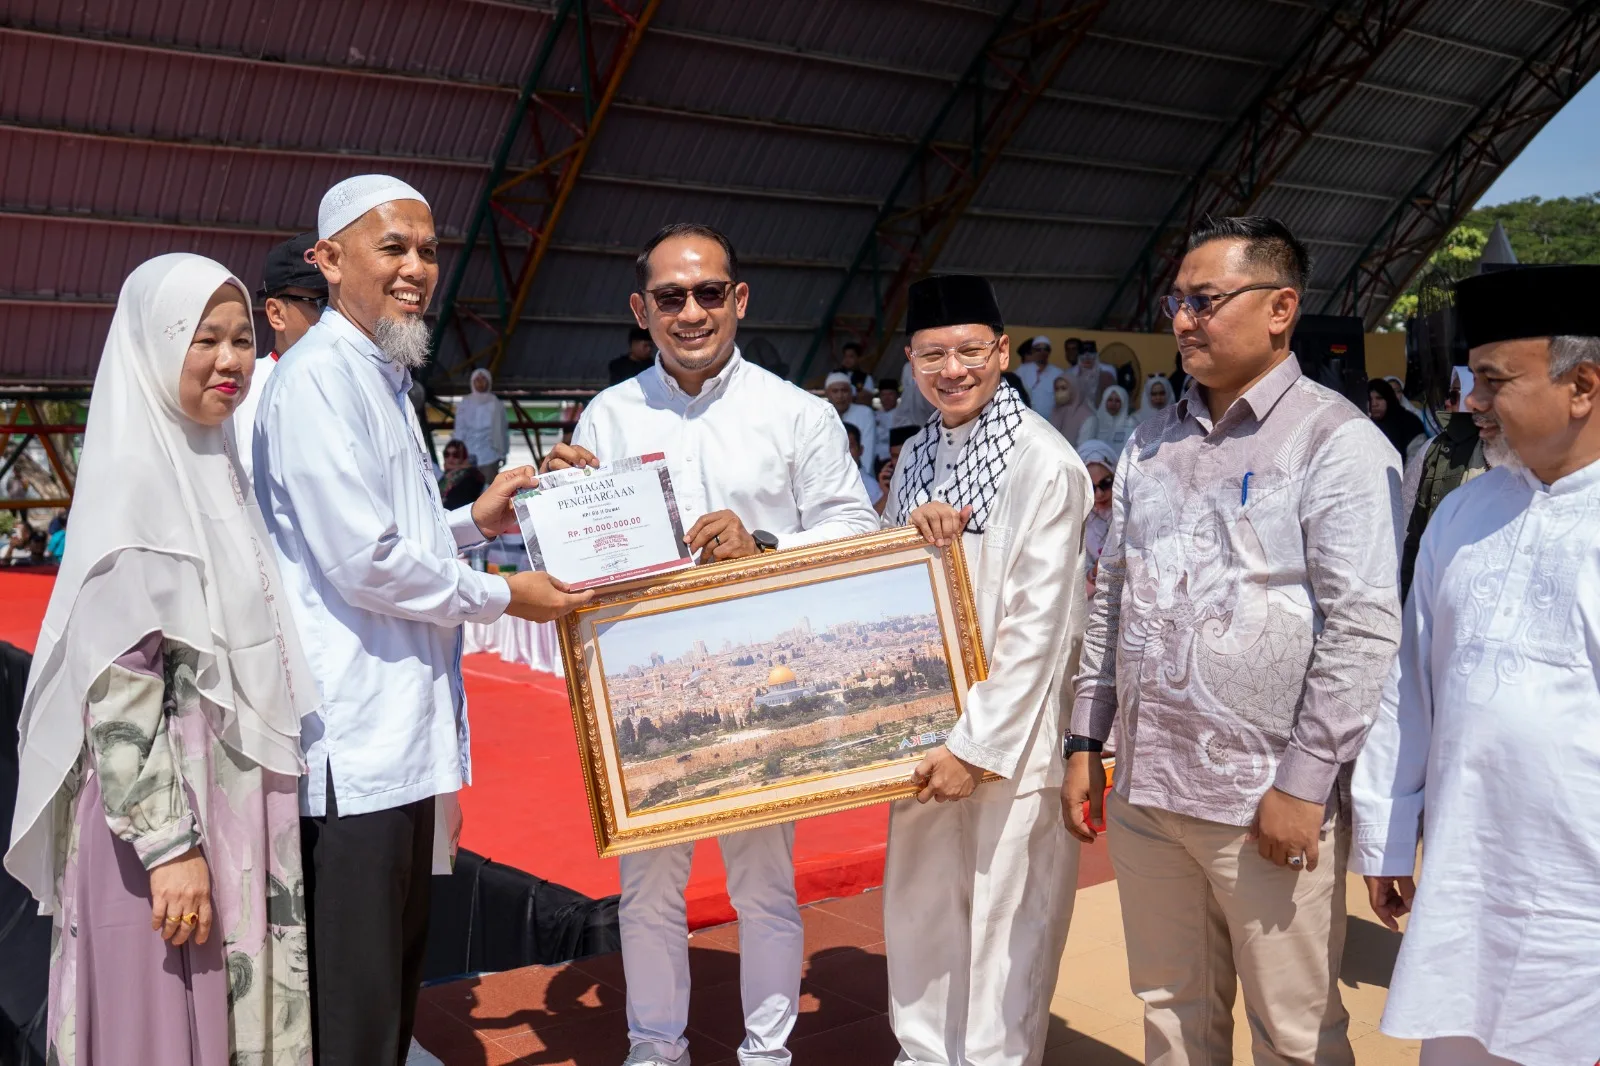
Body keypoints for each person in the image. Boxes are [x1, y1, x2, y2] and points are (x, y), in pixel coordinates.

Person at [252, 174, 591, 1066]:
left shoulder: (382, 374)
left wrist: (476, 522)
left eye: (429, 251)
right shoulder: (319, 378)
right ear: (328, 260)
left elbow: (397, 535)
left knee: (392, 984)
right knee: (355, 1006)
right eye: (393, 247)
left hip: (400, 736)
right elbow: (363, 561)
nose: (416, 268)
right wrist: (507, 595)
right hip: (354, 741)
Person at [1063, 216, 1403, 1065]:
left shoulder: (1336, 442)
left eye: (1205, 301)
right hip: (1148, 789)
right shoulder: (1151, 440)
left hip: (1263, 799)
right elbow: (1114, 595)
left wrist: (1304, 783)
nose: (1183, 321)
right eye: (1176, 302)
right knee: (1172, 1012)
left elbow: (1363, 627)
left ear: (1280, 308)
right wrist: (1086, 740)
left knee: (1295, 1032)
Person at [541, 221, 877, 1066]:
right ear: (641, 310)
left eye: (708, 293)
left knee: (764, 886)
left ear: (739, 299)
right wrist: (561, 506)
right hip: (645, 682)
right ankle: (656, 1049)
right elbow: (577, 562)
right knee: (648, 888)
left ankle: (766, 1054)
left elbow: (856, 531)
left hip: (759, 685)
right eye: (670, 297)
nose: (691, 312)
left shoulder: (795, 413)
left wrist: (762, 545)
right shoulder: (609, 415)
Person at [5, 253, 322, 1065]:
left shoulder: (214, 471)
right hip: (163, 833)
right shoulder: (137, 489)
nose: (230, 360)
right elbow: (118, 694)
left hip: (233, 812)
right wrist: (169, 848)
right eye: (203, 340)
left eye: (241, 339)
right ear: (153, 347)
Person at [1353, 264, 1600, 1066]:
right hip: (1468, 874)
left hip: (1580, 898)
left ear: (1582, 387)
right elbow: (1410, 686)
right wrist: (1390, 838)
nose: (1473, 402)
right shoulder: (1463, 512)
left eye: (1495, 381)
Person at [882, 275, 1091, 1066]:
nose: (952, 370)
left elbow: (1041, 628)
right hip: (926, 728)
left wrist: (976, 747)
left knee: (1010, 922)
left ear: (1001, 353)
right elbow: (890, 580)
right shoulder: (915, 454)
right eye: (932, 355)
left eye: (970, 351)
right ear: (910, 361)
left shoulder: (1045, 463)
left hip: (1012, 739)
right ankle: (925, 1053)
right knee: (922, 905)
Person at [1398, 366, 1502, 598]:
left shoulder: (1522, 454)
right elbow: (1412, 530)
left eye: (1455, 396)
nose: (1448, 403)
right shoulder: (1438, 449)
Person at [234, 231, 326, 483]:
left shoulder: (377, 384)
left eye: (343, 301)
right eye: (322, 302)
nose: (337, 315)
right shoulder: (242, 392)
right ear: (276, 313)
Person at [1075, 440, 1118, 599]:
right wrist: (1093, 573)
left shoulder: (1133, 508)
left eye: (1106, 483)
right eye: (1090, 487)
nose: (1099, 494)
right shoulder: (1076, 520)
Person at [455, 368, 510, 481]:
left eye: (483, 379)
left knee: (489, 487)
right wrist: (457, 452)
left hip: (490, 455)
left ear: (489, 382)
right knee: (467, 487)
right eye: (477, 379)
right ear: (472, 382)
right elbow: (459, 429)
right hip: (468, 455)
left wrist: (503, 453)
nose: (480, 382)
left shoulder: (496, 403)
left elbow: (502, 431)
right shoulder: (465, 402)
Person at [825, 371, 879, 478]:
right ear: (827, 394)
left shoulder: (864, 413)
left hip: (861, 477)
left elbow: (867, 451)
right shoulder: (821, 414)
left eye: (844, 390)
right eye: (835, 391)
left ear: (851, 392)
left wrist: (861, 478)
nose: (840, 396)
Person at [1367, 377, 1425, 460]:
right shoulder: (1364, 424)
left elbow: (1416, 461)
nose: (1374, 404)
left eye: (1379, 398)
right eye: (1369, 399)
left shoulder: (1411, 424)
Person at [1013, 334, 1064, 420]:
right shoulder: (1021, 371)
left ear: (1049, 352)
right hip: (1026, 420)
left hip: (1051, 422)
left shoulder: (1058, 373)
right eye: (1038, 349)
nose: (1042, 352)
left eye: (1045, 349)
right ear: (1033, 351)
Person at [1076, 384, 1134, 453]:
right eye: (1110, 400)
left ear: (1123, 403)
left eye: (1117, 401)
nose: (1113, 404)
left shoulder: (1130, 425)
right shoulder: (1094, 422)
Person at [438, 438, 487, 510]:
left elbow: (458, 503)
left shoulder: (470, 476)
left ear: (464, 458)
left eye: (456, 455)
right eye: (447, 454)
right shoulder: (448, 475)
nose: (450, 458)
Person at [842, 422, 882, 507]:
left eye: (850, 446)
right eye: (840, 447)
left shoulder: (871, 487)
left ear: (860, 450)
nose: (845, 452)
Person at [1067, 339, 1115, 408]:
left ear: (1096, 357)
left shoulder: (1107, 373)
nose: (1087, 359)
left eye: (1091, 357)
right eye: (1083, 358)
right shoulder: (1071, 374)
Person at [1048, 376, 1092, 443]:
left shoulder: (1088, 418)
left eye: (1063, 388)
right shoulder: (1055, 412)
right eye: (1056, 389)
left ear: (1074, 390)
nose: (1059, 392)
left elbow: (1084, 446)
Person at [874, 377, 899, 459]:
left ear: (897, 395)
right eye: (883, 395)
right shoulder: (874, 415)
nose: (887, 398)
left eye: (890, 394)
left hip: (894, 458)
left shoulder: (903, 416)